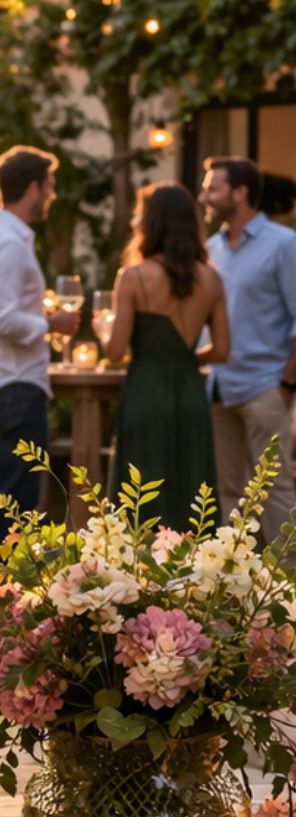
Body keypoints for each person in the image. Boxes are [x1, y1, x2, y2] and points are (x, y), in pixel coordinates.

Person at [0, 145, 79, 546]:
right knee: (17, 502)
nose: (53, 194)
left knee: (1, 494)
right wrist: (53, 322)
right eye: (50, 185)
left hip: (1, 381)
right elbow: (2, 319)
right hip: (12, 384)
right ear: (33, 187)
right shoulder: (6, 243)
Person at [106, 183, 229, 525]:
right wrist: (184, 356)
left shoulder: (133, 277)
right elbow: (222, 350)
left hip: (145, 390)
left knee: (141, 493)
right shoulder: (212, 280)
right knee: (192, 491)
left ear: (151, 223)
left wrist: (105, 333)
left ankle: (138, 574)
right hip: (190, 392)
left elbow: (116, 352)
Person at [200, 155, 296, 543]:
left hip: (264, 388)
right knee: (227, 491)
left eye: (213, 187)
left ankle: (288, 584)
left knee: (274, 490)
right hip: (219, 390)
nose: (205, 195)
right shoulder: (209, 249)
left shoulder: (285, 245)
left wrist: (287, 385)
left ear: (240, 193)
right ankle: (236, 586)